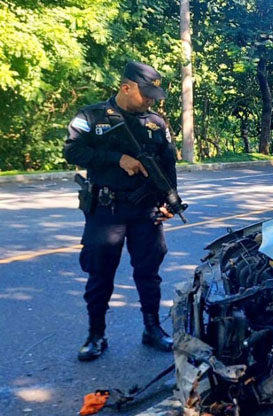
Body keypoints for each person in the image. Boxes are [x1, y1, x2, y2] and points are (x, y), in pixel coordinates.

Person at [64, 61, 177, 362]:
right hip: (106, 211)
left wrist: (170, 201)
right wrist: (117, 159)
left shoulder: (156, 123)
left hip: (146, 211)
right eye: (146, 94)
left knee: (149, 274)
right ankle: (96, 335)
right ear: (126, 87)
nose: (151, 100)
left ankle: (152, 329)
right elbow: (72, 151)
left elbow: (167, 164)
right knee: (100, 275)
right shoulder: (92, 116)